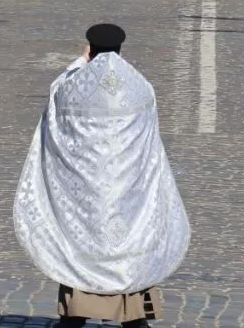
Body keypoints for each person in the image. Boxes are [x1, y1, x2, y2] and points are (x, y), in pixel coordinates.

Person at [14, 23, 190, 328]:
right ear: (121, 49)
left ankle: (75, 315)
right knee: (127, 246)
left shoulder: (71, 87)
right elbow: (150, 139)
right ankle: (134, 318)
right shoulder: (140, 86)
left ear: (90, 49)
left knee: (82, 245)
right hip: (128, 189)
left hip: (85, 192)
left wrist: (80, 64)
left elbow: (55, 101)